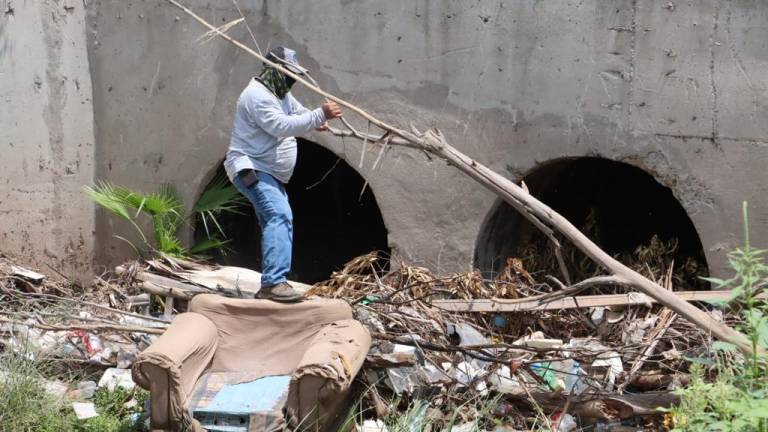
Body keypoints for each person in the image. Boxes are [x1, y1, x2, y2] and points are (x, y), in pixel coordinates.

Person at [224, 46, 342, 301]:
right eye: (288, 73)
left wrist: (317, 120)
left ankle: (272, 282)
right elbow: (280, 126)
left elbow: (299, 113)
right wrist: (319, 114)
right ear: (274, 70)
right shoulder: (257, 95)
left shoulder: (280, 95)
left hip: (271, 173)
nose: (291, 79)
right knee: (279, 214)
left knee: (275, 220)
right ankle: (273, 283)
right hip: (252, 167)